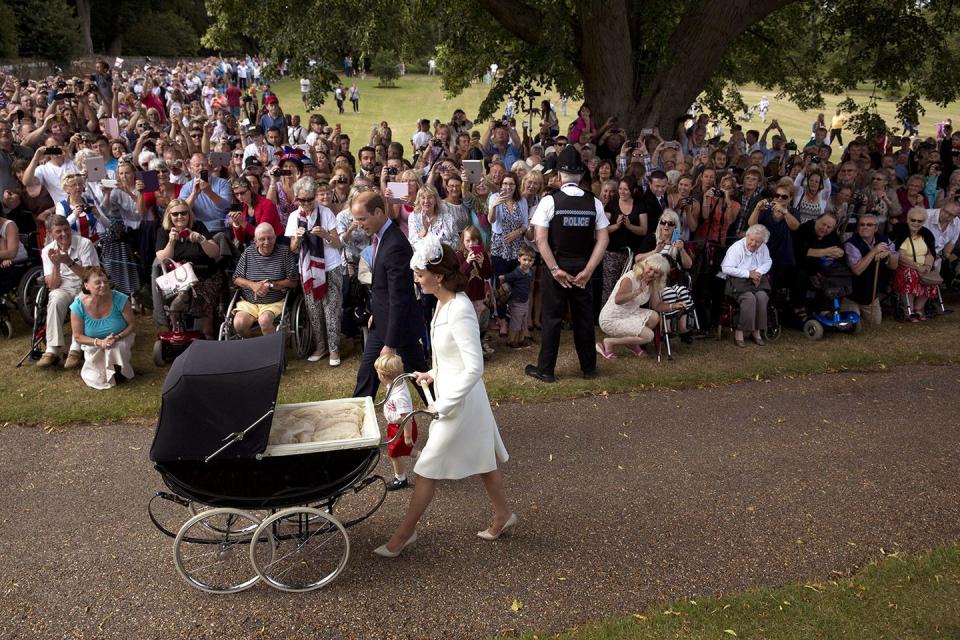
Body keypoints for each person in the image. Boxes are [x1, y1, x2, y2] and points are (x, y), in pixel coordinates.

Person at [373, 238, 513, 557]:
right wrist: (432, 373)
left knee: (426, 467)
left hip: (459, 402)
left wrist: (444, 404)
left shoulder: (460, 308)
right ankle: (503, 514)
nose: (416, 280)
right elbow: (448, 355)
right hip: (454, 396)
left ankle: (404, 534)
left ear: (437, 274)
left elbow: (474, 367)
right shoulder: (442, 301)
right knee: (484, 461)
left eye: (420, 274)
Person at [525, 144, 609, 383]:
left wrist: (555, 269)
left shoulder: (550, 201)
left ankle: (546, 370)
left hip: (558, 265)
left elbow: (540, 239)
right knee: (583, 319)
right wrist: (588, 270)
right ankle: (589, 368)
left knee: (551, 319)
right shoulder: (594, 202)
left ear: (559, 175)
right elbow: (603, 239)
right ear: (581, 175)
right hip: (584, 266)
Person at [350, 191, 427, 398]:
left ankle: (447, 417)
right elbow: (383, 288)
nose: (358, 224)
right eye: (355, 219)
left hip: (400, 330)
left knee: (422, 381)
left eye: (361, 219)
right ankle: (359, 426)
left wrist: (391, 345)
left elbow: (399, 297)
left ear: (377, 212)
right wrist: (376, 311)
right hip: (381, 323)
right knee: (366, 377)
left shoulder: (395, 245)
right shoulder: (380, 238)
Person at [287, 177, 343, 366]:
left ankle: (334, 349)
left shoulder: (326, 213)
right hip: (308, 270)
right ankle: (321, 347)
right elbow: (293, 248)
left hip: (330, 266)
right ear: (297, 199)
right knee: (314, 310)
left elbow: (337, 243)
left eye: (310, 199)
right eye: (303, 200)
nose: (307, 203)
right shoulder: (294, 217)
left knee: (331, 309)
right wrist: (298, 238)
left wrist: (325, 235)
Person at [38, 215, 100, 369]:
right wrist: (57, 265)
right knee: (55, 298)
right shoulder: (47, 251)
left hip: (84, 285)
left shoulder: (84, 244)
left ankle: (76, 348)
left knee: (82, 299)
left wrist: (68, 262)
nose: (64, 234)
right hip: (63, 287)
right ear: (51, 233)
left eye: (66, 229)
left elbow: (92, 276)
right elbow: (52, 285)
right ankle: (52, 349)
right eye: (58, 231)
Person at [154, 199, 223, 338]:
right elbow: (162, 259)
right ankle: (176, 328)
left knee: (207, 329)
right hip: (178, 279)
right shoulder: (164, 232)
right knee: (178, 296)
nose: (180, 217)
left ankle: (207, 336)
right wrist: (171, 242)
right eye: (175, 214)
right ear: (169, 216)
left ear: (189, 214)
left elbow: (215, 252)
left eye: (183, 213)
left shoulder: (198, 227)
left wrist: (202, 240)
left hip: (204, 276)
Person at [596, 253, 675, 358]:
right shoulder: (631, 277)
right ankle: (609, 342)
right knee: (649, 336)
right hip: (611, 318)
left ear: (660, 276)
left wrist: (673, 306)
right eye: (650, 268)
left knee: (654, 317)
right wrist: (638, 291)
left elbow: (656, 305)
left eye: (656, 272)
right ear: (645, 264)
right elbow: (618, 300)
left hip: (629, 313)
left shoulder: (652, 283)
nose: (651, 273)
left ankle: (632, 344)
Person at [69, 266, 136, 389]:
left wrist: (117, 337)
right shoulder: (78, 306)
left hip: (120, 339)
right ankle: (107, 370)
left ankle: (119, 370)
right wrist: (98, 342)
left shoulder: (120, 298)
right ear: (86, 285)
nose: (103, 285)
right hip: (94, 344)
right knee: (97, 378)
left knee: (116, 348)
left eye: (105, 282)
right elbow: (78, 336)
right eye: (97, 283)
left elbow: (131, 325)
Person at [232, 223, 298, 337]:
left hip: (274, 302)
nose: (267, 242)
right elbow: (236, 278)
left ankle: (271, 352)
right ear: (255, 240)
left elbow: (293, 282)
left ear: (275, 237)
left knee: (265, 321)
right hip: (249, 302)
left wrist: (271, 284)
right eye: (262, 239)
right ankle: (254, 347)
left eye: (270, 238)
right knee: (239, 323)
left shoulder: (284, 252)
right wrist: (253, 285)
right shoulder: (248, 253)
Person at [721, 224, 773, 347]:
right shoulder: (737, 248)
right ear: (747, 236)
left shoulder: (763, 247)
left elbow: (768, 261)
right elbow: (725, 268)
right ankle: (740, 331)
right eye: (752, 240)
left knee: (762, 297)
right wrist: (748, 274)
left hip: (756, 279)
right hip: (738, 280)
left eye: (758, 242)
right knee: (749, 298)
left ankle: (757, 331)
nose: (754, 244)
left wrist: (758, 273)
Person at [843, 213, 898, 326]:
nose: (865, 227)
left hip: (871, 296)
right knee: (851, 324)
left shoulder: (884, 240)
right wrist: (874, 251)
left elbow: (894, 266)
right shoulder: (850, 244)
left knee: (875, 323)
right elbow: (857, 270)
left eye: (869, 225)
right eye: (862, 224)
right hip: (852, 295)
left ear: (876, 228)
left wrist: (888, 255)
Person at [376, 353, 418, 491]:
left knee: (395, 454)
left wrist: (407, 435)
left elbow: (405, 416)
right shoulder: (396, 383)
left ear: (383, 376)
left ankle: (401, 479)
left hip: (401, 428)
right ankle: (427, 459)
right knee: (405, 450)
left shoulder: (399, 396)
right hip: (396, 427)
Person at [890, 207, 939, 321]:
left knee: (930, 277)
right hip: (904, 266)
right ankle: (909, 310)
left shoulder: (926, 234)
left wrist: (927, 266)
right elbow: (900, 256)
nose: (916, 223)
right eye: (913, 220)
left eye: (919, 221)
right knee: (911, 275)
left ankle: (918, 309)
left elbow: (931, 253)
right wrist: (917, 267)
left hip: (923, 266)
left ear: (924, 222)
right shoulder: (901, 232)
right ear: (907, 220)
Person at [499, 245, 535, 349]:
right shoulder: (517, 272)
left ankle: (521, 339)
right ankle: (511, 341)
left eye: (530, 260)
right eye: (524, 259)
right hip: (516, 301)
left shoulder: (531, 271)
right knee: (516, 322)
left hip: (525, 300)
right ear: (519, 258)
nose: (527, 263)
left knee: (523, 321)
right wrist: (504, 288)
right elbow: (503, 277)